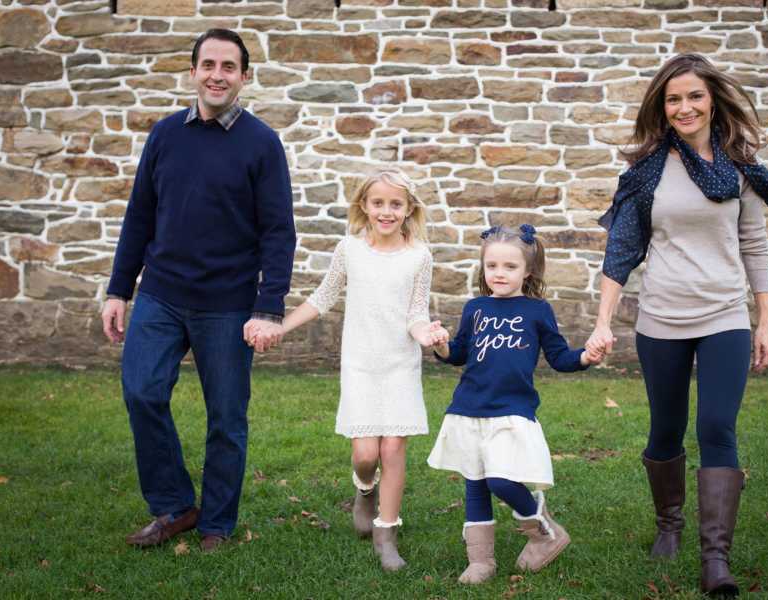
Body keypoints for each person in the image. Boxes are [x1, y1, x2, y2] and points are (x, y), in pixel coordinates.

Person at [586, 53, 768, 596]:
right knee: (666, 429)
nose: (684, 107)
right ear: (663, 107)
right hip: (662, 319)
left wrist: (765, 320)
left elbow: (754, 244)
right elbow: (621, 251)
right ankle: (668, 525)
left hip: (726, 315)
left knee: (717, 428)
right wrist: (603, 321)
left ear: (712, 100)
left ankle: (715, 559)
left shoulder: (741, 167)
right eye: (673, 99)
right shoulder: (648, 172)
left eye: (694, 96)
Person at [101, 28, 296, 553]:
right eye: (207, 64)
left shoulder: (261, 143)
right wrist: (119, 289)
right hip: (161, 296)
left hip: (228, 306)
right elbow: (140, 214)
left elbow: (278, 231)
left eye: (228, 66)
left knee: (226, 419)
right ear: (193, 72)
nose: (216, 75)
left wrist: (269, 307)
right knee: (142, 392)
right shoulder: (165, 135)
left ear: (243, 77)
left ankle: (216, 523)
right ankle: (174, 506)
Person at [247, 169, 441, 571]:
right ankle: (364, 489)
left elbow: (417, 312)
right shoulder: (349, 249)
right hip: (361, 365)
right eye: (378, 203)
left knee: (393, 448)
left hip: (400, 364)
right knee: (366, 453)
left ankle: (387, 533)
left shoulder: (419, 256)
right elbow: (323, 296)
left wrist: (426, 334)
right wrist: (280, 326)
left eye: (395, 204)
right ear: (364, 207)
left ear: (408, 210)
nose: (386, 211)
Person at [426, 224, 604, 585]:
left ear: (528, 270)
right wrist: (442, 346)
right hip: (468, 408)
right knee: (475, 482)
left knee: (500, 480)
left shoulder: (537, 311)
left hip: (511, 411)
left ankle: (543, 531)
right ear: (483, 269)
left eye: (509, 267)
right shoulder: (476, 307)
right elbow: (459, 353)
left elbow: (558, 356)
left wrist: (585, 356)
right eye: (491, 266)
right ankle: (480, 561)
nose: (499, 273)